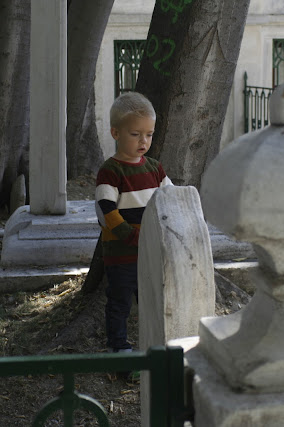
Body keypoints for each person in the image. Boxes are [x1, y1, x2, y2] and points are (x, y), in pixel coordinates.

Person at [95, 92, 173, 354]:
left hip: (150, 252)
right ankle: (119, 349)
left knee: (150, 300)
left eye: (149, 134)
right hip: (121, 253)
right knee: (120, 302)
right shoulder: (111, 171)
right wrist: (132, 236)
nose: (144, 141)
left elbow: (169, 198)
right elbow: (106, 210)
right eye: (135, 134)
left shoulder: (154, 168)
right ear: (116, 133)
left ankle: (153, 347)